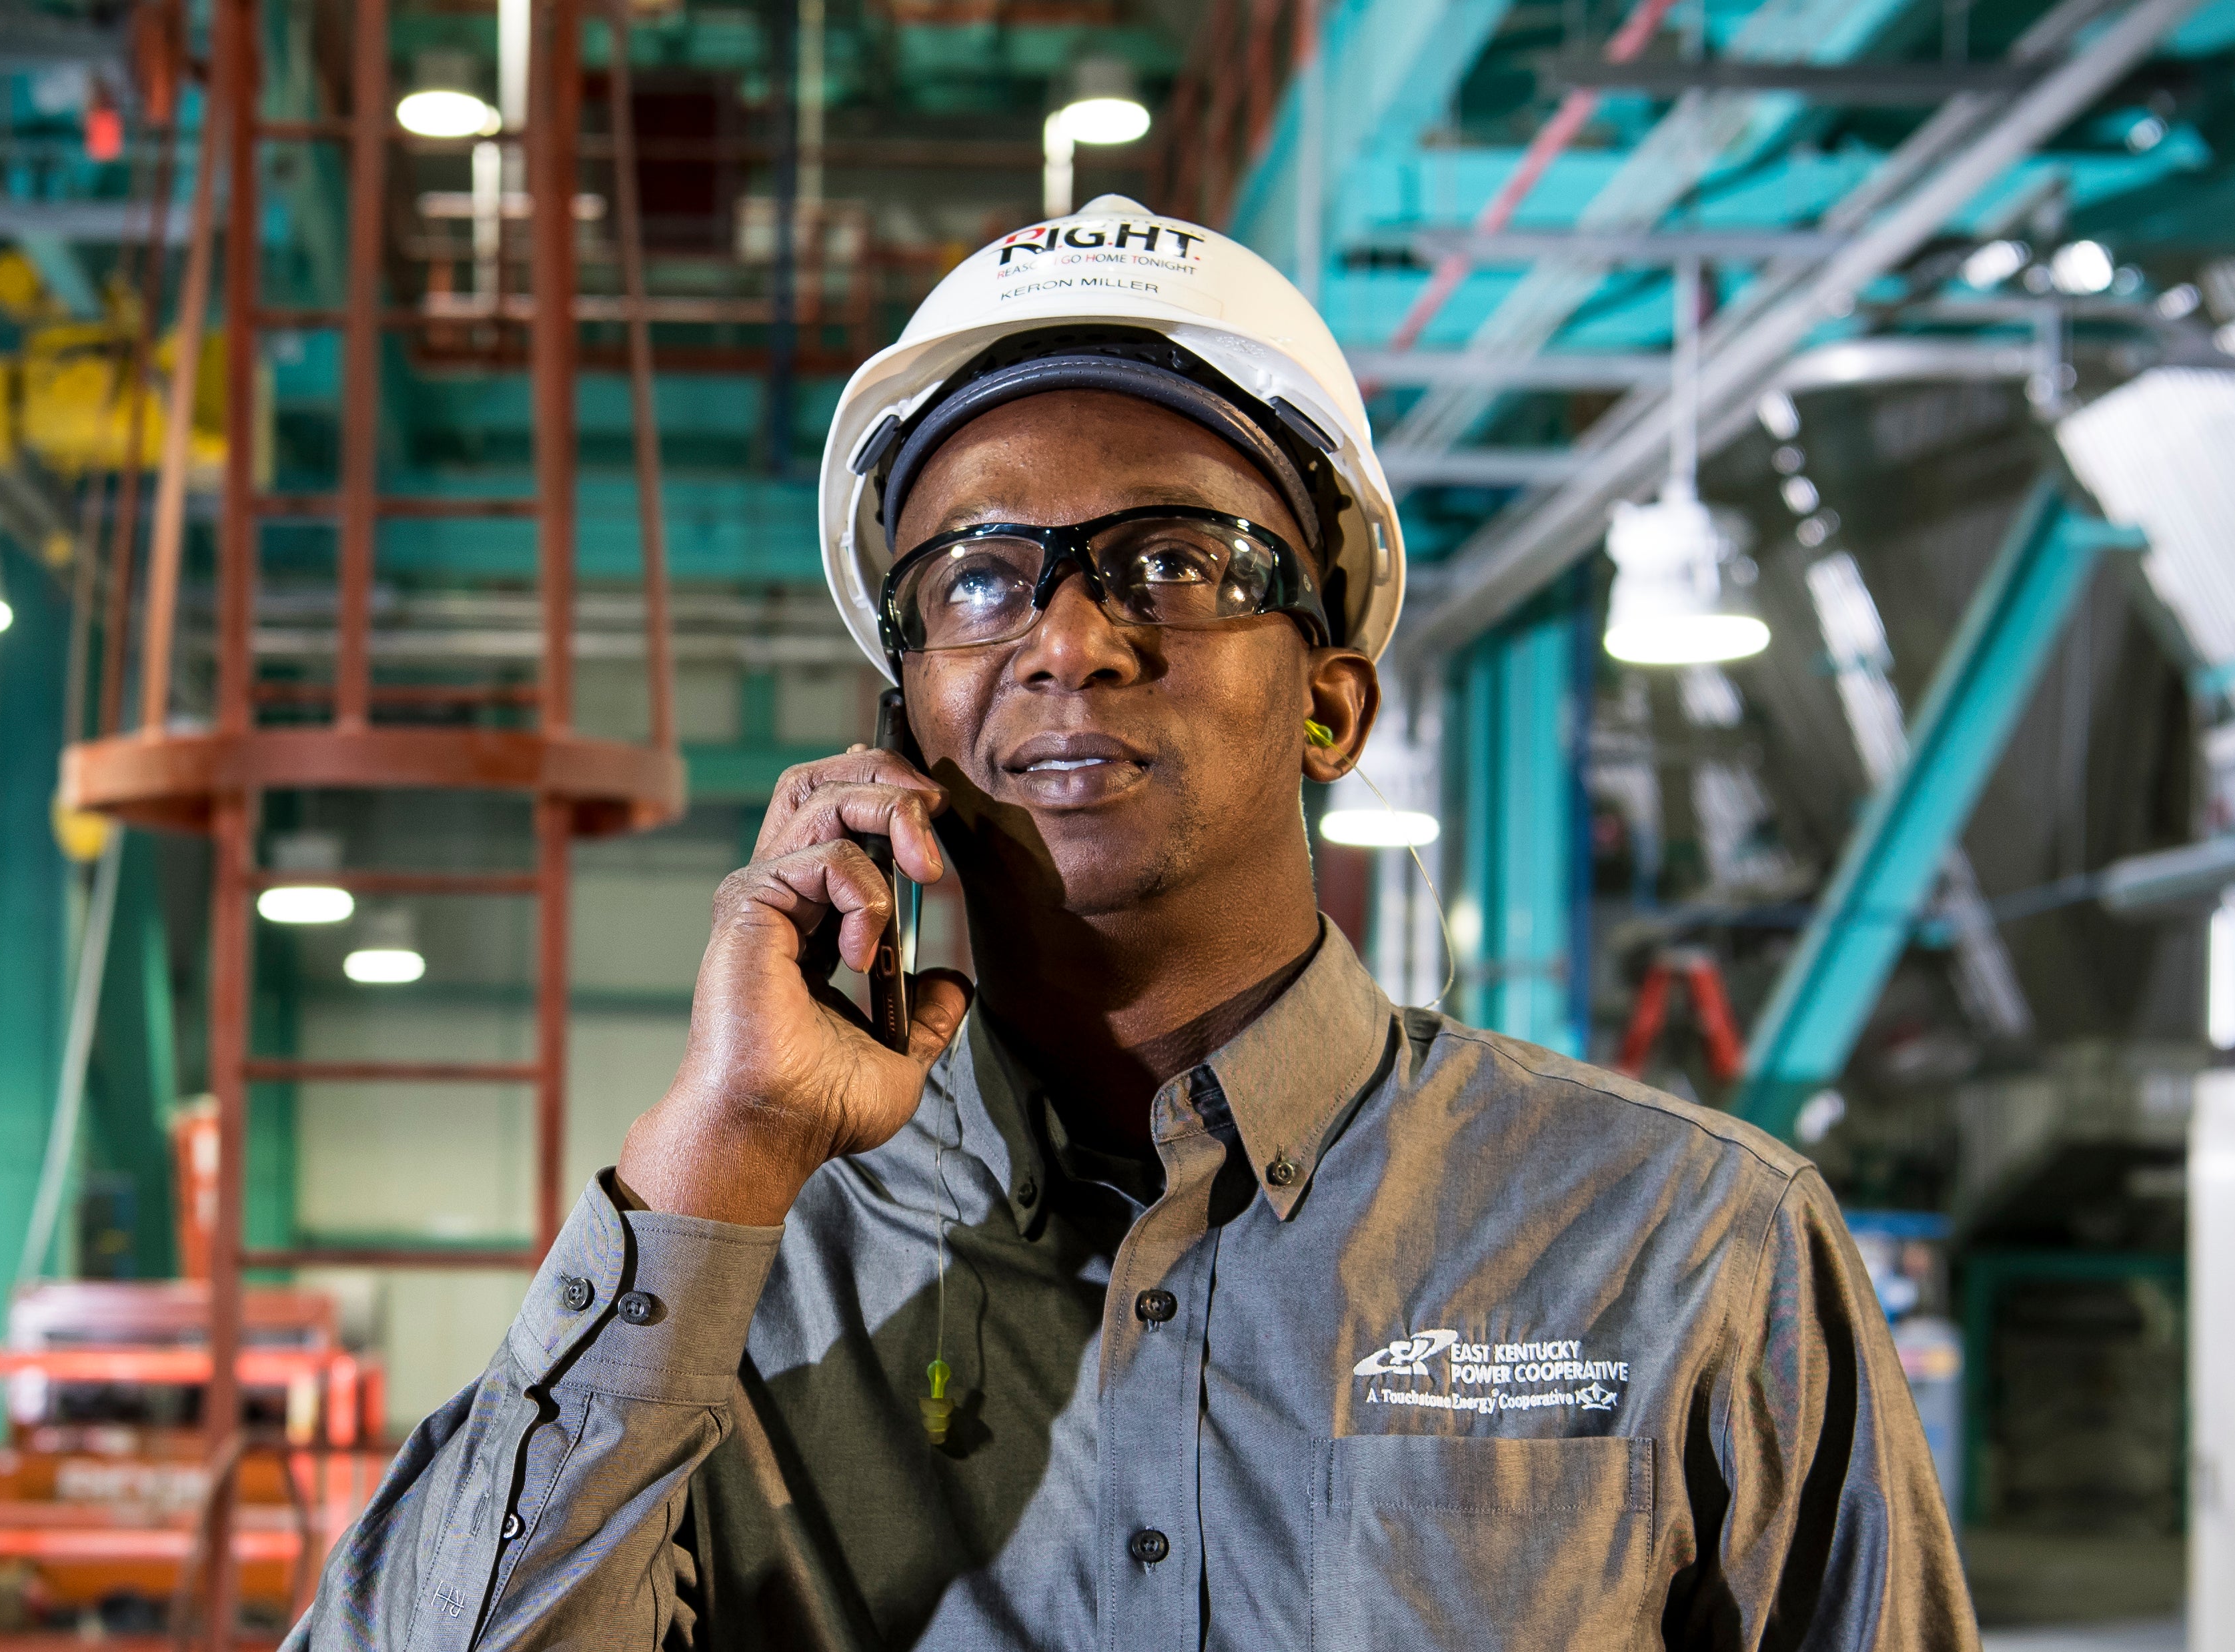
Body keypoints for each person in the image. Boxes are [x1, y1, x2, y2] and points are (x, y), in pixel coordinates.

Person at [287, 197, 1972, 1649]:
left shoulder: (1682, 1246)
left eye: (1174, 561)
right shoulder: (736, 1275)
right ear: (899, 720)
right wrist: (718, 1152)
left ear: (1328, 705)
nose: (1071, 636)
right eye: (978, 574)